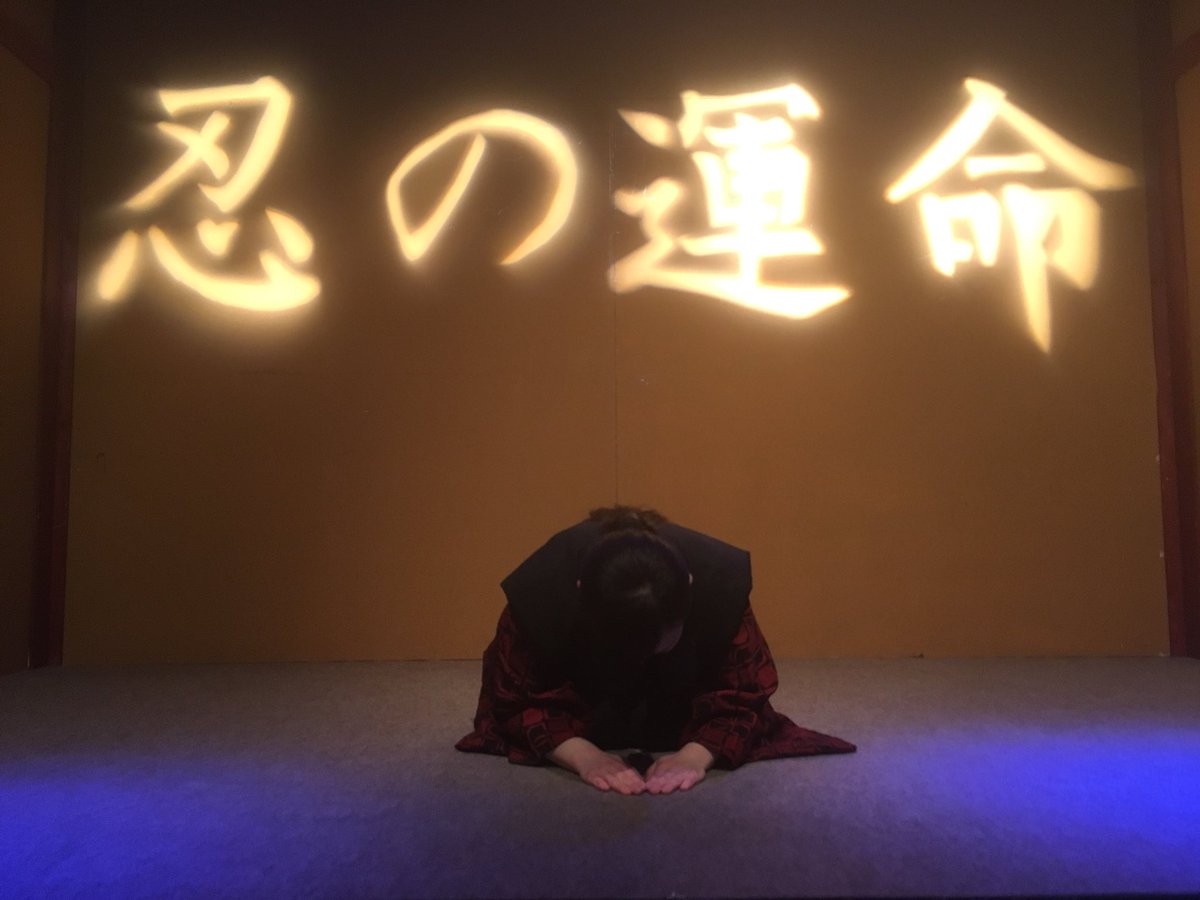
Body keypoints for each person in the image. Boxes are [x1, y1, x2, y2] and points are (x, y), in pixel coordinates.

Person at [456, 506, 855, 794]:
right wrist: (584, 756)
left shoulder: (718, 582)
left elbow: (743, 691)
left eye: (659, 640)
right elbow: (516, 696)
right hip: (585, 686)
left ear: (690, 584)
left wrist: (696, 755)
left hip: (681, 688)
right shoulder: (543, 589)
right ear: (580, 594)